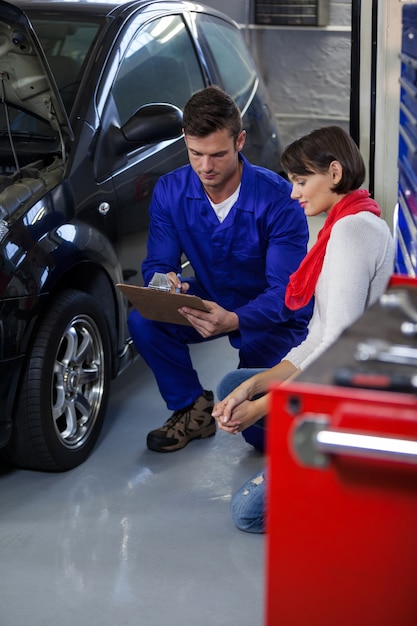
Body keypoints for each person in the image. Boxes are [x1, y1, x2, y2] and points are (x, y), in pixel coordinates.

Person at [212, 125, 395, 533]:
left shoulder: (353, 230)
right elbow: (317, 335)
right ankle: (311, 458)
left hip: (350, 395)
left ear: (333, 173)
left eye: (301, 181)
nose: (294, 193)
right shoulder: (341, 225)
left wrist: (260, 407)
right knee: (231, 385)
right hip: (335, 373)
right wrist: (256, 384)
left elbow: (334, 350)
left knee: (247, 512)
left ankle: (333, 471)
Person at [127, 85, 313, 453]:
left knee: (260, 436)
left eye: (217, 154)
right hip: (211, 295)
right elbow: (159, 263)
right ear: (185, 140)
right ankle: (191, 409)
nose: (205, 167)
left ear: (240, 140)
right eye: (195, 154)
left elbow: (285, 293)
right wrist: (165, 283)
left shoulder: (279, 200)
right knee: (144, 320)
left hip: (272, 315)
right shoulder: (170, 191)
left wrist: (234, 320)